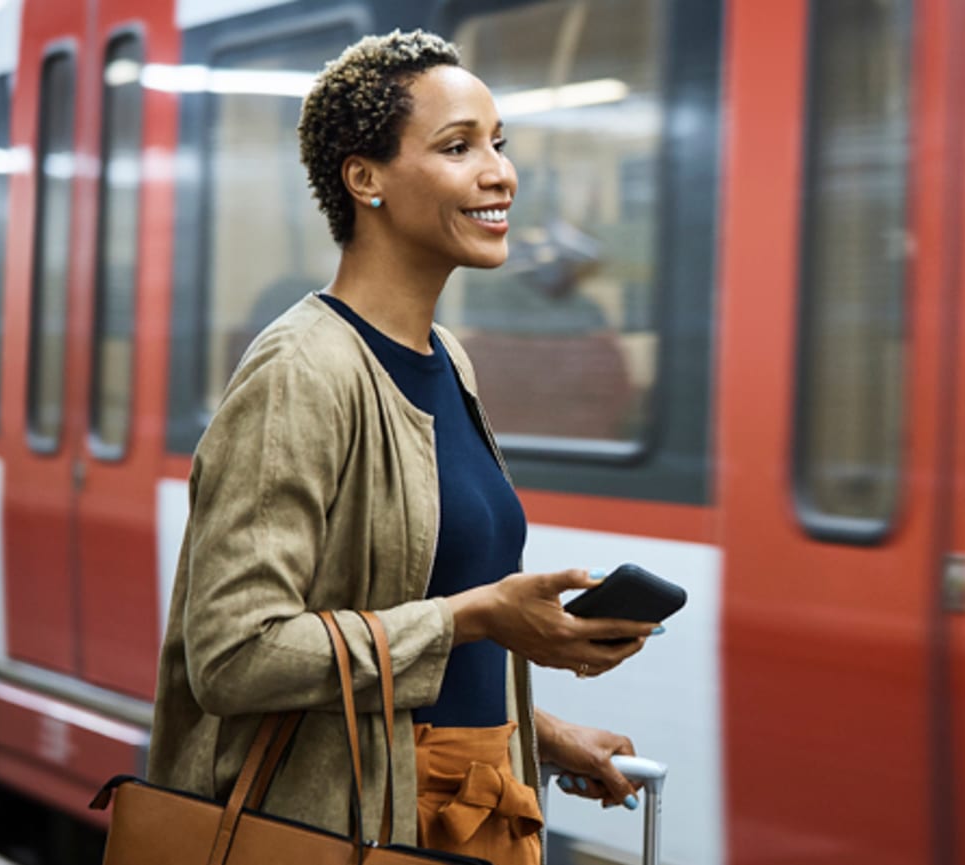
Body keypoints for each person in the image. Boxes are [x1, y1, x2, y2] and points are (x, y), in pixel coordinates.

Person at [146, 30, 658, 865]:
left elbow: (414, 634)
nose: (499, 173)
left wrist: (545, 734)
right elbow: (235, 655)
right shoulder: (301, 371)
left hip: (472, 814)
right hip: (361, 830)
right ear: (365, 178)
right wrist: (480, 615)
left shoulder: (445, 358)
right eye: (459, 147)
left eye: (499, 143)